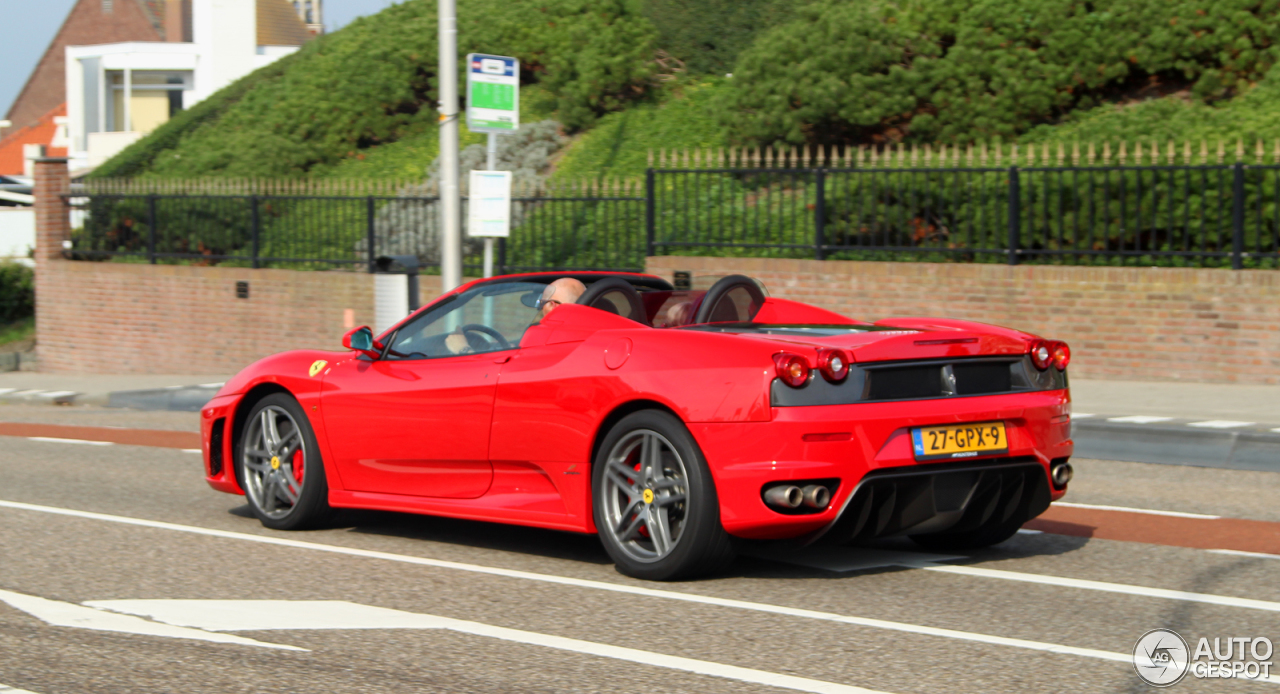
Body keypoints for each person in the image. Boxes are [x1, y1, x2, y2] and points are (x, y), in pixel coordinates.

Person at [444, 277, 586, 354]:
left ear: (552, 305)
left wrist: (462, 349)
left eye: (542, 302)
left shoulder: (546, 337)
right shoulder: (583, 336)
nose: (539, 307)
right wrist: (508, 345)